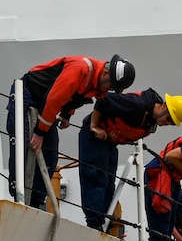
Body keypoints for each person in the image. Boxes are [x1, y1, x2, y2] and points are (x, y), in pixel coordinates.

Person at [7, 55, 134, 211]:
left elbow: (73, 96)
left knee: (50, 155)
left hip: (45, 106)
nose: (110, 90)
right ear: (106, 74)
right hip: (28, 96)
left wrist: (66, 114)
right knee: (24, 150)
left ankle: (35, 203)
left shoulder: (94, 81)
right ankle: (18, 198)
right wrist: (40, 133)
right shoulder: (80, 69)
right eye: (111, 86)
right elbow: (54, 99)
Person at [77, 89, 182, 230]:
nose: (167, 123)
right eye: (169, 119)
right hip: (94, 137)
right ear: (164, 106)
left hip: (108, 142)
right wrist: (94, 126)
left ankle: (103, 219)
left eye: (171, 123)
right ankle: (94, 222)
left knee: (108, 181)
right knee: (96, 176)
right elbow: (105, 99)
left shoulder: (149, 121)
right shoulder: (137, 105)